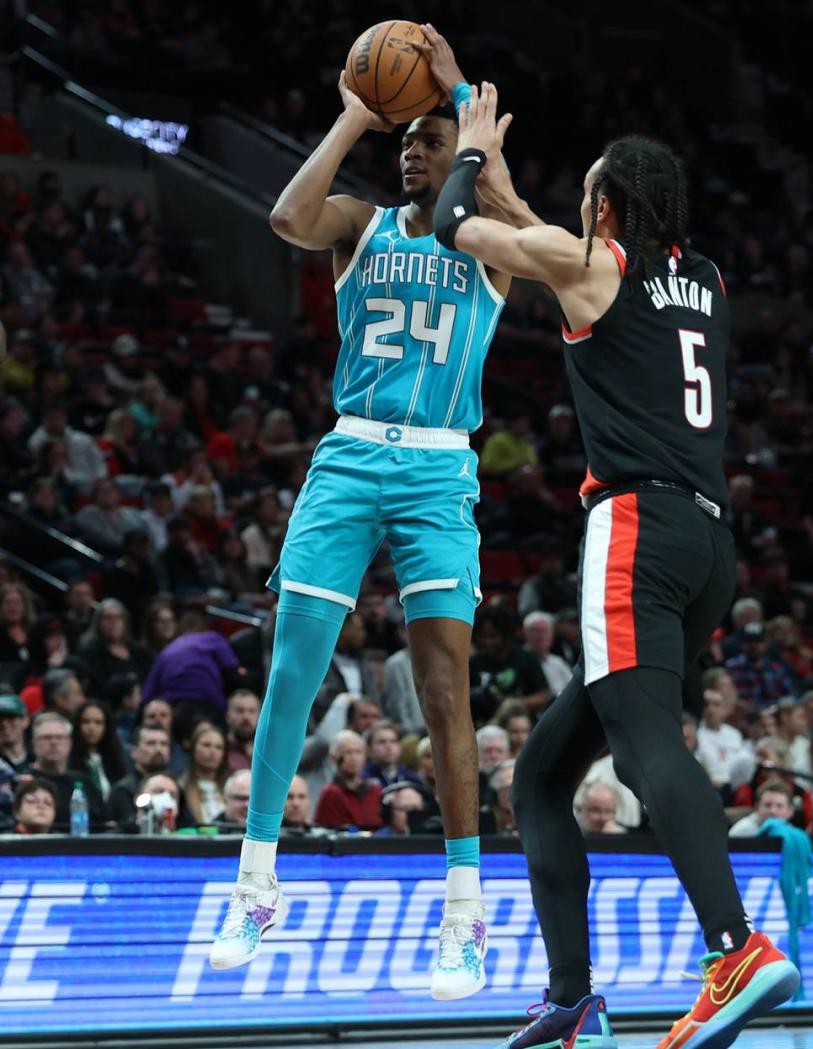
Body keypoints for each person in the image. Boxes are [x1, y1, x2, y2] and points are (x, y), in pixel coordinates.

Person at [434, 85, 800, 1047]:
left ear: (603, 210)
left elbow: (453, 225)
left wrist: (469, 158)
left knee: (644, 753)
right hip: (710, 544)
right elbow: (556, 242)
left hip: (633, 528)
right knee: (545, 775)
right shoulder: (708, 279)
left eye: (586, 197)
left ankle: (735, 951)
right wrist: (524, 196)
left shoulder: (592, 265)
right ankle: (571, 999)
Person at [209, 29, 525, 1000]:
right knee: (294, 665)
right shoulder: (361, 223)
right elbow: (284, 215)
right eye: (406, 143)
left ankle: (465, 913)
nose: (410, 153)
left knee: (442, 687)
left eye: (426, 141)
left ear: (456, 150)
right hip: (350, 450)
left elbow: (534, 224)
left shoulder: (489, 241)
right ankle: (255, 884)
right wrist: (359, 106)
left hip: (438, 469)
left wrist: (463, 104)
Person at [29, 711, 106, 829]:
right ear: (34, 744)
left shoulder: (85, 782)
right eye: (46, 737)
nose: (54, 742)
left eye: (59, 737)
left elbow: (104, 823)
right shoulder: (24, 783)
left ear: (69, 743)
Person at [314, 730, 382, 831]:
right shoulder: (330, 794)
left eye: (358, 752)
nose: (353, 758)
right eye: (348, 752)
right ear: (333, 758)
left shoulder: (376, 791)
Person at [108, 724, 172, 830]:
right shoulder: (123, 791)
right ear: (134, 752)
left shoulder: (176, 788)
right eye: (151, 743)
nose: (158, 749)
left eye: (164, 744)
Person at [68, 700, 127, 802]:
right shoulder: (68, 760)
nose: (92, 727)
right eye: (86, 721)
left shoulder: (118, 759)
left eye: (98, 722)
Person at [179, 723, 228, 826]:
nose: (213, 752)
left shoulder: (230, 788)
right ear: (193, 748)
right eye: (206, 745)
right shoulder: (180, 788)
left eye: (219, 747)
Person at [522, 611, 574, 698]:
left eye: (544, 631)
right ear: (525, 634)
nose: (540, 636)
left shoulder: (558, 662)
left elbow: (574, 690)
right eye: (535, 631)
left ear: (552, 636)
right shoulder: (518, 659)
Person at [363, 719, 420, 788]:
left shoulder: (412, 779)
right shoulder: (362, 779)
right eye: (382, 742)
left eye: (393, 741)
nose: (389, 746)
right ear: (369, 749)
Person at [729, 780, 795, 837]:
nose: (773, 811)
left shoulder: (793, 833)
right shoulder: (741, 832)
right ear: (757, 807)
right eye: (767, 805)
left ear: (790, 811)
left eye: (779, 806)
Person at [224, 689, 261, 772]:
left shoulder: (265, 753)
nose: (246, 716)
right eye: (239, 710)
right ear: (227, 715)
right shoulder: (219, 751)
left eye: (251, 711)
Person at [0, 692, 31, 776]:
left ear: (25, 720)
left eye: (11, 717)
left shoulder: (39, 759)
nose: (4, 724)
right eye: (0, 719)